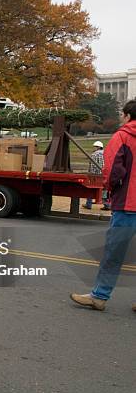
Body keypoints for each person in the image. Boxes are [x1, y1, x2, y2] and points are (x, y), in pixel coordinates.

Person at [71, 99, 136, 313]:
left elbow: (113, 172)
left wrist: (111, 189)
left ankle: (99, 295)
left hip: (128, 204)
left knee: (114, 254)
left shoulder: (122, 136)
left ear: (127, 116)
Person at [82, 140, 109, 210]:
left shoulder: (94, 154)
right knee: (104, 190)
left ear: (98, 147)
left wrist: (90, 174)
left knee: (91, 189)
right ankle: (107, 205)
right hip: (104, 174)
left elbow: (92, 166)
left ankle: (88, 204)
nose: (94, 148)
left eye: (94, 147)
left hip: (96, 175)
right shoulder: (106, 153)